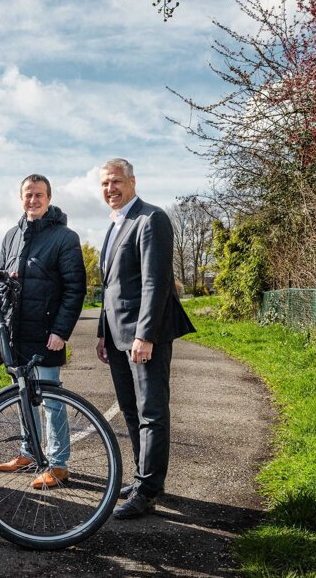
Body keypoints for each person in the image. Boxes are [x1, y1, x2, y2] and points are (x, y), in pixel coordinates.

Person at [95, 158, 195, 519]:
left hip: (142, 337)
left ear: (133, 181)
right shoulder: (115, 225)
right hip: (117, 337)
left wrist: (146, 335)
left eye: (117, 181)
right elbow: (112, 288)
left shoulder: (151, 219)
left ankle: (148, 491)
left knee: (151, 412)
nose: (111, 189)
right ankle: (144, 478)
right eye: (105, 184)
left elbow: (156, 282)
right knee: (130, 411)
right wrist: (103, 333)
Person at [0, 174, 86, 490]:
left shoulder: (65, 237)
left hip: (46, 334)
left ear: (49, 197)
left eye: (39, 194)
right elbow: (3, 281)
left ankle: (58, 464)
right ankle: (28, 452)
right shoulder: (11, 236)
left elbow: (75, 288)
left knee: (51, 400)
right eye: (28, 194)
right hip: (16, 333)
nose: (33, 199)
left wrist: (61, 331)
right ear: (21, 198)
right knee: (24, 398)